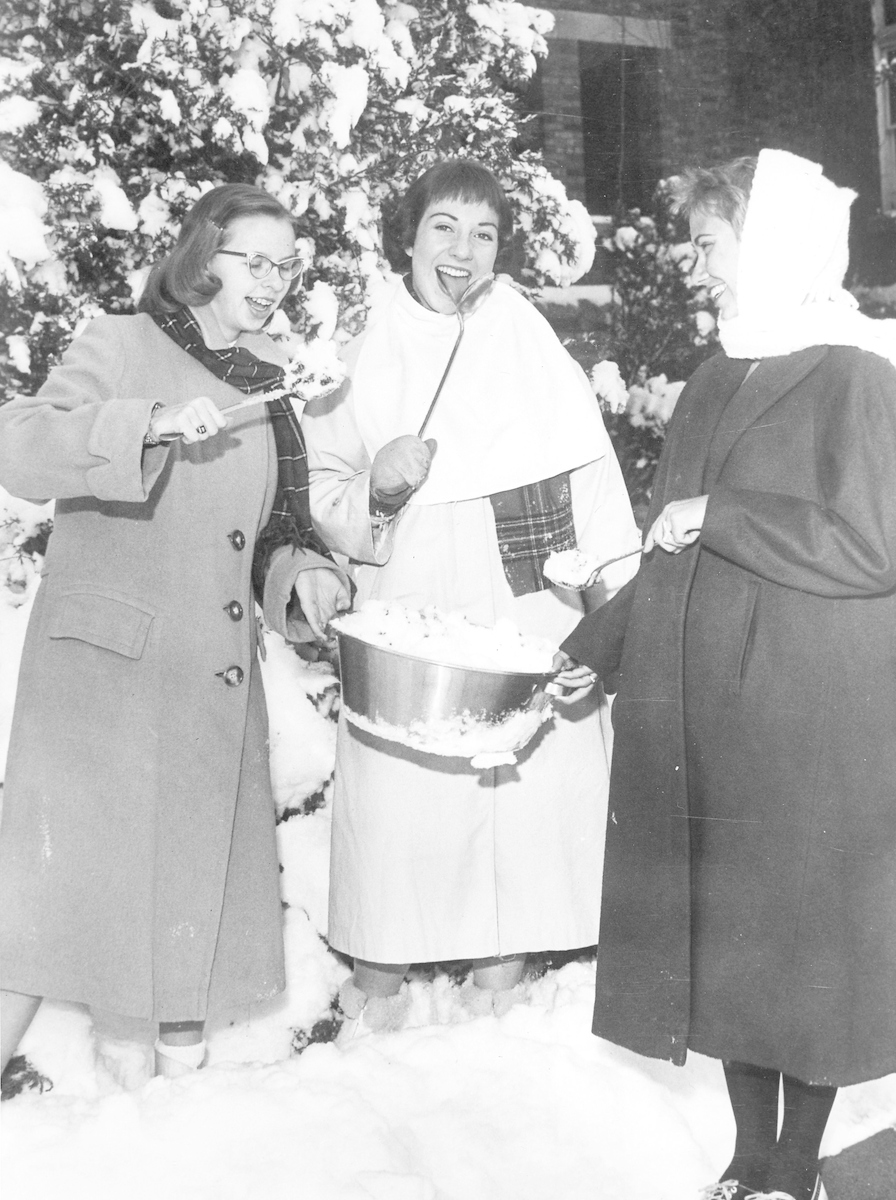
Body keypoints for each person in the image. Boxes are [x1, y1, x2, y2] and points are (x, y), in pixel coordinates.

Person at [557, 150, 896, 1200]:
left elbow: (874, 544)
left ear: (771, 244)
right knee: (735, 946)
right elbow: (671, 545)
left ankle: (794, 1166)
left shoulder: (856, 374)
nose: (692, 264)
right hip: (712, 710)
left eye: (708, 241)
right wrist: (594, 653)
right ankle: (749, 1156)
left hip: (810, 712)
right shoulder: (713, 377)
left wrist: (726, 514)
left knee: (802, 951)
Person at [0, 183, 351, 1080]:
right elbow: (20, 443)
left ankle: (161, 1141)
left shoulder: (272, 379)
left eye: (287, 265)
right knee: (47, 926)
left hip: (206, 687)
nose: (274, 282)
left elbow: (281, 528)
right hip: (103, 689)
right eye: (255, 260)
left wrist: (303, 576)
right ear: (203, 255)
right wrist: (146, 423)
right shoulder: (120, 341)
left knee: (173, 946)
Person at [302, 159, 640, 1032]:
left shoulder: (523, 330)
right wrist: (377, 485)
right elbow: (318, 494)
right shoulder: (361, 341)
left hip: (525, 593)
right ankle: (376, 985)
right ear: (408, 234)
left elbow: (589, 468)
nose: (463, 250)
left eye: (484, 233)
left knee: (520, 787)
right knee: (400, 787)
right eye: (444, 226)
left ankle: (506, 974)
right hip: (410, 594)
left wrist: (616, 592)